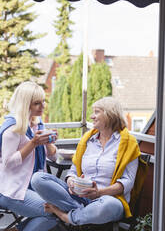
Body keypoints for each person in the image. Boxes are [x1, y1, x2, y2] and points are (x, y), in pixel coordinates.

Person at [31, 96, 141, 227]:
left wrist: (99, 193)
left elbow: (127, 182)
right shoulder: (88, 140)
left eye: (96, 112)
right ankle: (81, 212)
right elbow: (73, 170)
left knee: (107, 206)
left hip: (108, 199)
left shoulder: (129, 143)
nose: (91, 116)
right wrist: (71, 181)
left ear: (110, 114)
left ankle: (65, 216)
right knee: (38, 179)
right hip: (79, 197)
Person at [0, 81, 59, 231]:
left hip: (34, 186)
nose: (43, 106)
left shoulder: (37, 125)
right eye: (37, 103)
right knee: (54, 213)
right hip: (12, 190)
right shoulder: (12, 129)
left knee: (62, 207)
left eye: (43, 101)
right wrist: (33, 143)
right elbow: (8, 163)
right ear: (25, 104)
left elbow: (53, 157)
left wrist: (48, 141)